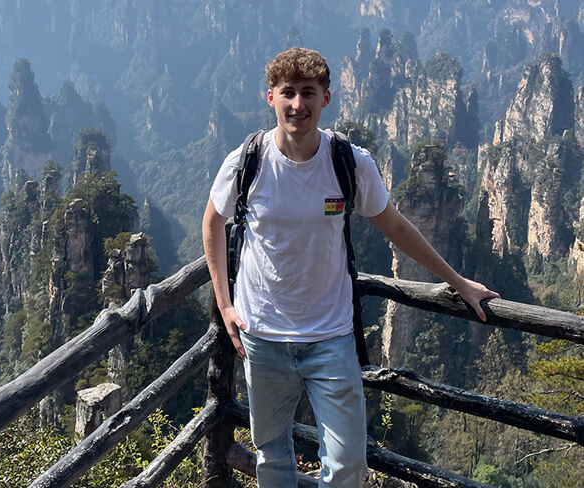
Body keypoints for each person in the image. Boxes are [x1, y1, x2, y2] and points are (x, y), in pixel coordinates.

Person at [201, 47, 499, 487]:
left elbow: (396, 226)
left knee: (348, 467)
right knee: (272, 456)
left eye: (308, 93)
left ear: (326, 98)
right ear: (271, 97)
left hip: (332, 337)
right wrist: (225, 305)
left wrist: (457, 281)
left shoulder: (349, 162)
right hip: (262, 336)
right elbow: (212, 222)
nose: (297, 104)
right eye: (288, 93)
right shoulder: (248, 162)